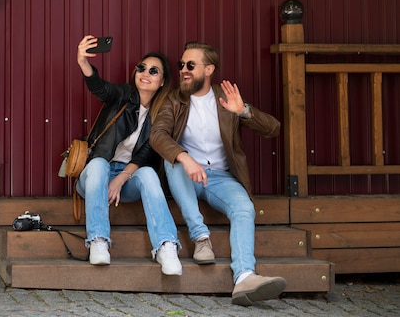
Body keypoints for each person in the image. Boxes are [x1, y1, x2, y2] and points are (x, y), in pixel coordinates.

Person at [150, 41, 287, 304]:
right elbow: (158, 135)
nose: (184, 70)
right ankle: (201, 237)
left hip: (221, 178)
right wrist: (185, 157)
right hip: (185, 176)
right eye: (181, 65)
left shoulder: (225, 99)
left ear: (209, 69)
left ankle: (245, 277)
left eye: (191, 65)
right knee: (173, 159)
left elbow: (273, 128)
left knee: (244, 209)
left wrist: (244, 112)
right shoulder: (174, 99)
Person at [74, 35, 182, 276]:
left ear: (163, 81)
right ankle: (98, 240)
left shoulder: (162, 114)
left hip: (127, 179)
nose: (145, 73)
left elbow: (147, 154)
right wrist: (82, 61)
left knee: (148, 173)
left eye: (154, 71)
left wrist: (121, 178)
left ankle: (166, 245)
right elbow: (99, 86)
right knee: (100, 164)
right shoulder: (122, 95)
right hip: (94, 176)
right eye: (141, 68)